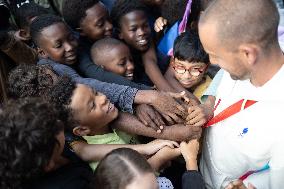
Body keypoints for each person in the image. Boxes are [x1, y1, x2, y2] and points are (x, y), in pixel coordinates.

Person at [30, 14, 190, 125]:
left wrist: (142, 97)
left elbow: (94, 72)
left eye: (70, 38)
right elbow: (84, 83)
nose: (70, 46)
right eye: (59, 45)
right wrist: (145, 95)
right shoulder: (49, 70)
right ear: (42, 52)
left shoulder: (77, 48)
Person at [198, 0, 284, 188]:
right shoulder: (246, 62)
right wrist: (209, 103)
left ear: (248, 54)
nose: (212, 62)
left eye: (216, 55)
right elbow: (221, 77)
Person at [47, 77, 181, 171]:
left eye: (96, 92)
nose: (103, 98)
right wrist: (161, 157)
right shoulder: (101, 161)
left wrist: (138, 105)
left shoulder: (114, 116)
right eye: (93, 105)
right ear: (82, 130)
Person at [0, 97, 93, 189]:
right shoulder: (73, 184)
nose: (60, 122)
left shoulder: (53, 148)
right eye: (55, 128)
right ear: (48, 164)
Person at [62, 0, 149, 90]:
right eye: (100, 24)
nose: (110, 26)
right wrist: (148, 91)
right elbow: (99, 75)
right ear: (81, 31)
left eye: (108, 18)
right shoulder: (82, 54)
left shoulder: (116, 33)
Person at [111, 0, 175, 91]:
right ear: (119, 33)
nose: (142, 32)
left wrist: (174, 95)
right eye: (133, 29)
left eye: (145, 26)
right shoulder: (115, 51)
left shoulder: (147, 38)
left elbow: (149, 62)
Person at [166, 31, 211, 101]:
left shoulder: (208, 93)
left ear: (207, 67)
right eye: (180, 67)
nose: (186, 76)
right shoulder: (169, 78)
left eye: (195, 69)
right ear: (173, 63)